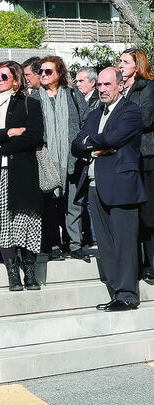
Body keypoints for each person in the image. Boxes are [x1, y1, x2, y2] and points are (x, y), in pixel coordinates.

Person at [72, 67, 145, 311]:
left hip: (122, 185)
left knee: (124, 243)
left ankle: (128, 296)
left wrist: (88, 142)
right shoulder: (94, 114)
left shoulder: (130, 111)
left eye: (107, 84)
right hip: (95, 186)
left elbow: (114, 139)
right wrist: (94, 149)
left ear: (120, 85)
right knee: (106, 245)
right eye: (99, 85)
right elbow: (75, 145)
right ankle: (117, 294)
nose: (102, 89)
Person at [0, 61, 45, 292]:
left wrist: (2, 145)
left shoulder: (30, 104)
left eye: (4, 76)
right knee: (3, 224)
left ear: (15, 80)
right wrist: (9, 132)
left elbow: (34, 136)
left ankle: (30, 273)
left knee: (27, 220)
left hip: (23, 172)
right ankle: (13, 274)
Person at [34, 55, 89, 261]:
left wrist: (82, 147)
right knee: (49, 205)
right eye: (41, 71)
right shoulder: (34, 98)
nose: (43, 74)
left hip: (72, 158)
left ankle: (74, 244)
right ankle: (53, 244)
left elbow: (86, 122)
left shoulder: (73, 95)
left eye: (48, 71)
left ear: (59, 74)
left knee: (73, 205)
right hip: (46, 161)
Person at [116, 49, 154, 282]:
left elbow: (146, 118)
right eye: (120, 61)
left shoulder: (148, 87)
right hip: (126, 158)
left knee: (149, 213)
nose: (120, 65)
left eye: (125, 61)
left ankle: (152, 264)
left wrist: (122, 123)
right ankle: (137, 265)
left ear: (137, 65)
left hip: (146, 156)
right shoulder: (121, 89)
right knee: (134, 215)